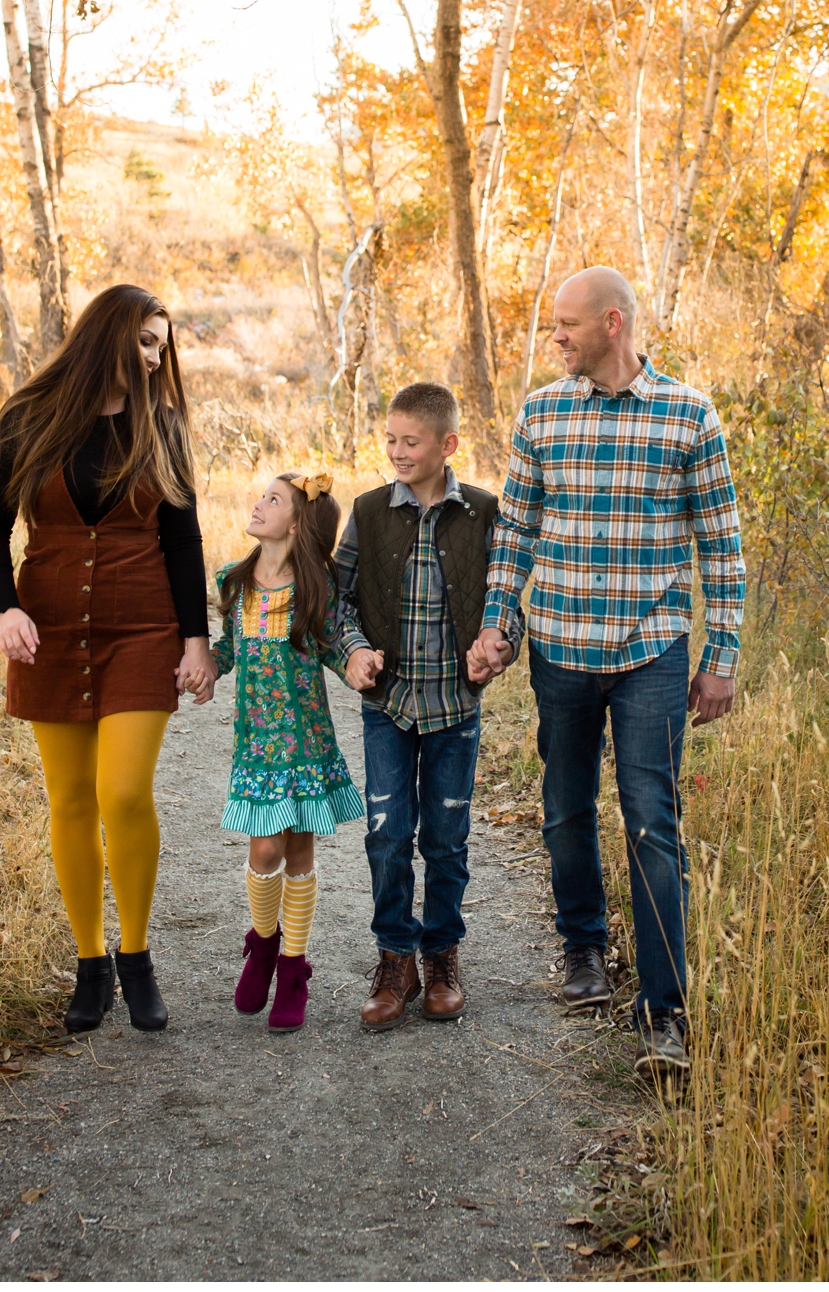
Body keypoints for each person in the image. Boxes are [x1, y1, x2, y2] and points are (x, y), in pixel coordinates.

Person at [467, 265, 744, 1085]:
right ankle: (584, 948)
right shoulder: (543, 412)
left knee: (653, 821)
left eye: (568, 324)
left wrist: (719, 659)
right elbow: (514, 532)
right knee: (563, 808)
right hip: (558, 644)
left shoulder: (687, 414)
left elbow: (721, 546)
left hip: (650, 647)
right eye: (556, 324)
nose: (556, 336)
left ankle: (664, 1013)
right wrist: (499, 624)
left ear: (613, 324)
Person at [0, 284, 214, 1034]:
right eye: (145, 341)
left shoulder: (162, 426)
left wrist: (195, 640)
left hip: (141, 629)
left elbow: (183, 538)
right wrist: (4, 606)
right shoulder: (28, 417)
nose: (154, 357)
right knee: (70, 800)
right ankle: (90, 964)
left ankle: (137, 958)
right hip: (47, 630)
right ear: (107, 335)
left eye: (160, 346)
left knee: (122, 793)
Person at [333, 383, 517, 1032]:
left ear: (448, 445)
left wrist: (498, 649)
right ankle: (394, 960)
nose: (397, 451)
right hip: (390, 705)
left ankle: (441, 956)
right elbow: (337, 600)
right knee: (387, 833)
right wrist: (352, 650)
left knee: (445, 837)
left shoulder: (484, 514)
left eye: (411, 441)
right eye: (390, 439)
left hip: (453, 707)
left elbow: (506, 602)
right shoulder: (369, 511)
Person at [212, 472, 364, 1033]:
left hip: (307, 743)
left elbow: (329, 648)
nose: (257, 504)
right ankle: (263, 946)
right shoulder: (234, 582)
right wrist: (204, 667)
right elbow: (228, 651)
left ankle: (294, 970)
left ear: (295, 524)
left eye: (272, 500)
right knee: (266, 852)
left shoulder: (313, 585)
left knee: (299, 855)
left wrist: (356, 664)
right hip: (257, 748)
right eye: (260, 496)